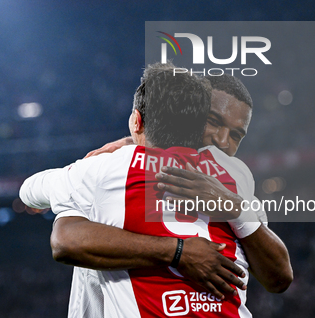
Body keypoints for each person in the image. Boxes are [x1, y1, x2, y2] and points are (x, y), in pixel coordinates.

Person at [20, 65, 292, 317]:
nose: (222, 141)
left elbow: (31, 194)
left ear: (136, 121)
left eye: (235, 135)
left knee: (86, 210)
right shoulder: (235, 172)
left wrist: (105, 157)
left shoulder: (105, 168)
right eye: (215, 123)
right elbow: (280, 278)